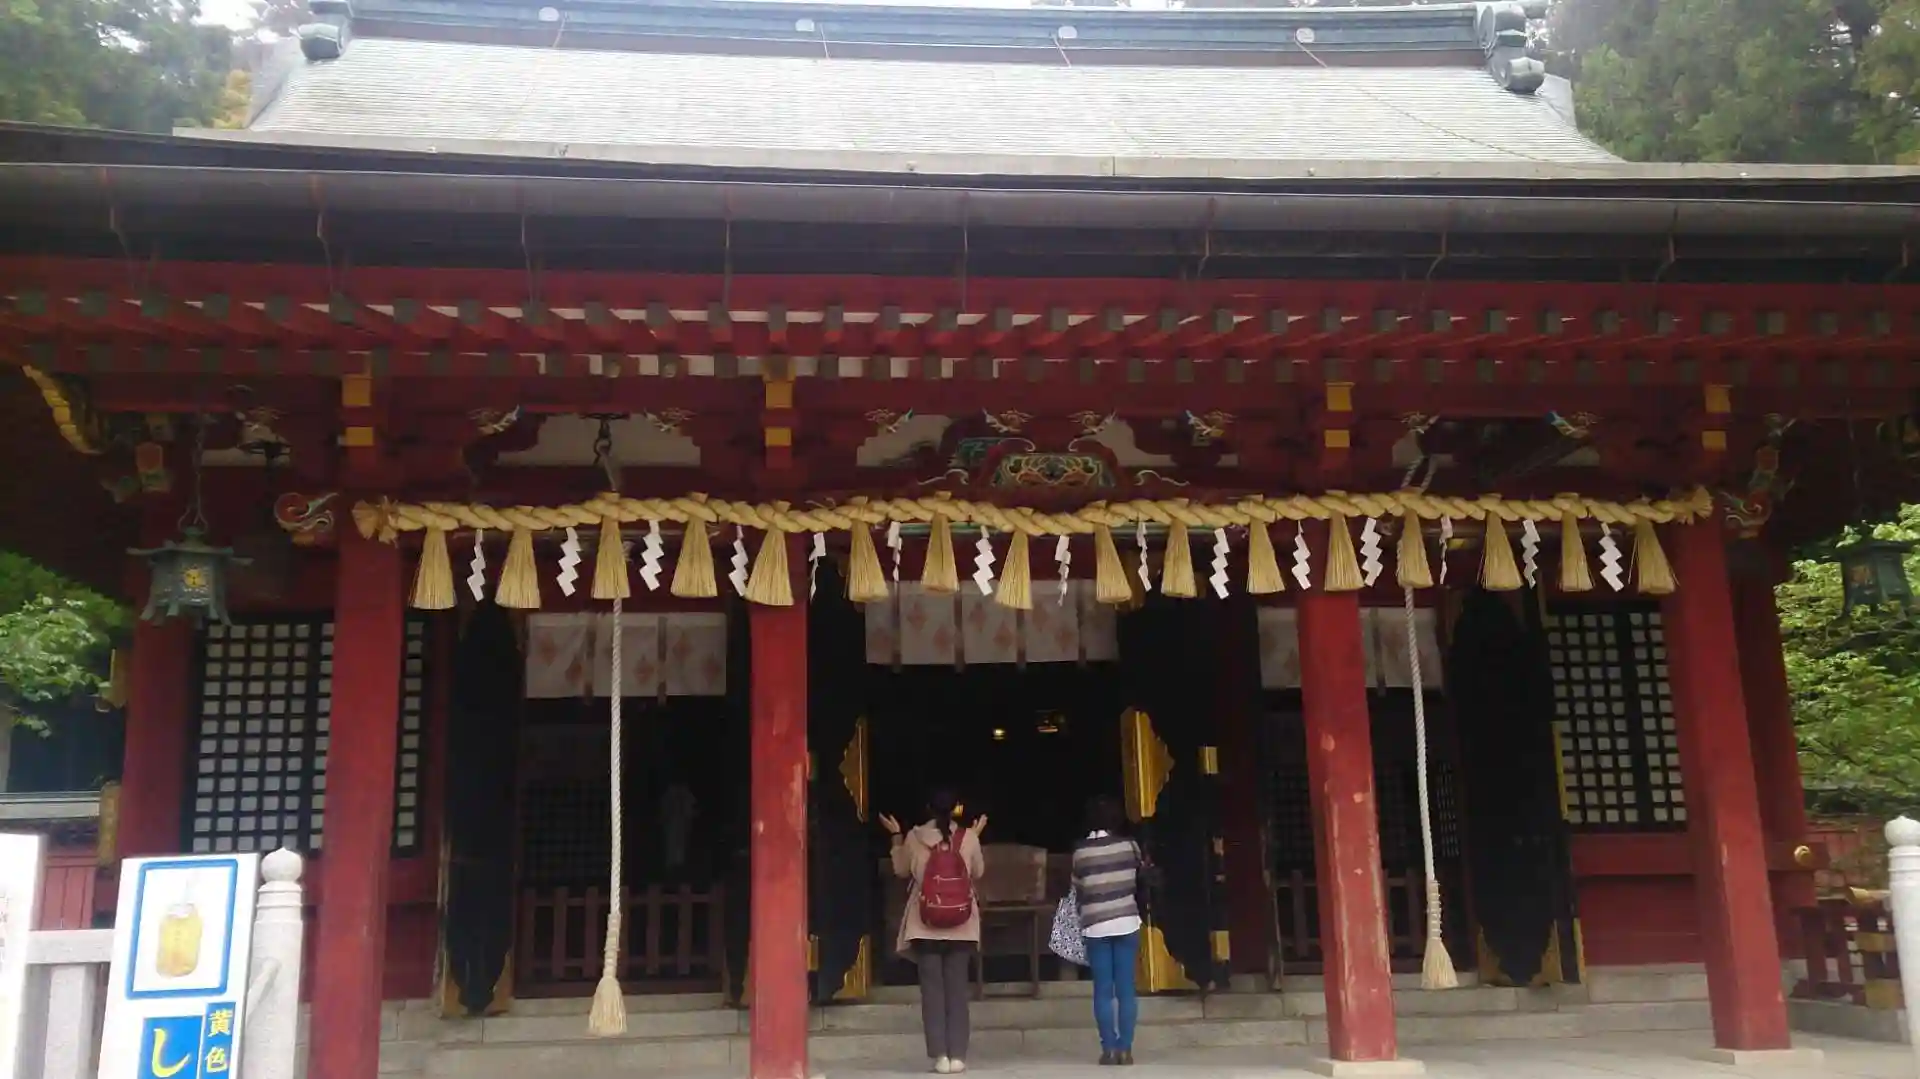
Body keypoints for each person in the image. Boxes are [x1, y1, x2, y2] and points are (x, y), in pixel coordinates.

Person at [882, 792, 987, 1075]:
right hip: (961, 925)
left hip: (925, 923)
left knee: (932, 993)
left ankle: (940, 1056)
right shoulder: (968, 837)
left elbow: (900, 870)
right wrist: (973, 838)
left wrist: (896, 837)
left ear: (927, 809)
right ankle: (958, 1056)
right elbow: (977, 872)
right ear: (955, 809)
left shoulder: (914, 837)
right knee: (957, 991)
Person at [1072, 795, 1143, 1066]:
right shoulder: (1129, 846)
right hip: (1127, 921)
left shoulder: (1081, 852)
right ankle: (1125, 1049)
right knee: (1126, 988)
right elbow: (1138, 879)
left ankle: (1109, 1049)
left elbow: (1079, 889)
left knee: (1103, 989)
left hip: (1095, 925)